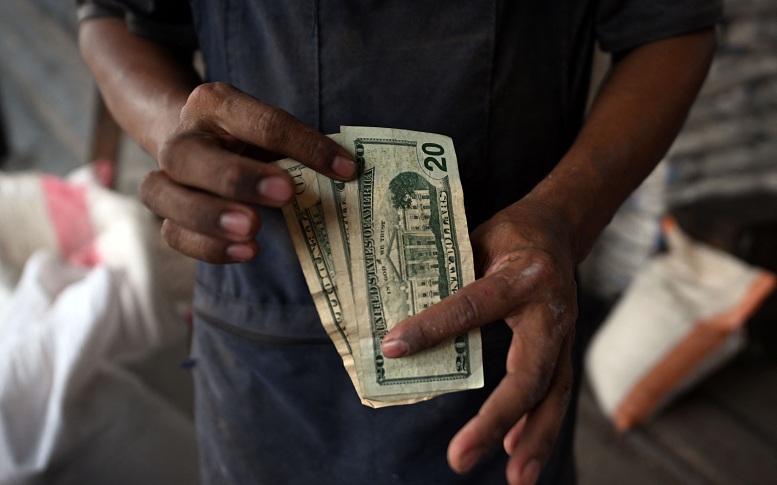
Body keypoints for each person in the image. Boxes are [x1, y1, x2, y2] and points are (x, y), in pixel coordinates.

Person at [76, 2, 720, 484]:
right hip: (261, 333)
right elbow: (112, 19)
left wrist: (566, 214)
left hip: (503, 322)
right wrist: (176, 131)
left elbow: (670, 25)